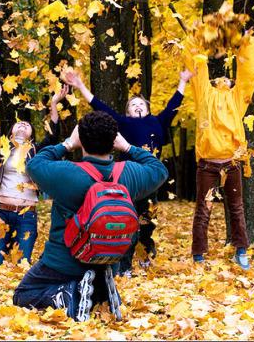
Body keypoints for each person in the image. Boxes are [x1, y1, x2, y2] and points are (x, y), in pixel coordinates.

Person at [13, 111, 168, 322]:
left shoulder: (66, 173)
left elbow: (34, 164)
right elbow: (159, 169)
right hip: (108, 261)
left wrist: (67, 144)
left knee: (23, 294)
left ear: (81, 141)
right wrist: (129, 147)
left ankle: (70, 295)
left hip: (63, 263)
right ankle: (100, 290)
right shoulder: (129, 173)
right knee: (97, 278)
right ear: (114, 141)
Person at [62, 69, 192, 273]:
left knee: (148, 221)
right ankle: (124, 265)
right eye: (133, 104)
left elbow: (174, 106)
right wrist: (80, 86)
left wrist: (183, 81)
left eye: (141, 104)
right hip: (129, 177)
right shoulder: (123, 123)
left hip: (149, 178)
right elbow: (100, 107)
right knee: (127, 219)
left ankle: (146, 254)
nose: (138, 106)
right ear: (127, 112)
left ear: (148, 109)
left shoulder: (157, 121)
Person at [183, 30, 254, 270]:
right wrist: (195, 42)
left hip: (232, 163)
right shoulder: (205, 96)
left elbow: (248, 76)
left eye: (228, 79)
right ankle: (198, 256)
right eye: (219, 79)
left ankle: (241, 251)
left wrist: (245, 44)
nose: (224, 80)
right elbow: (198, 71)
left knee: (236, 208)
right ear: (214, 83)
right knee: (203, 210)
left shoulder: (237, 99)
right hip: (208, 164)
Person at [0, 71, 68, 264]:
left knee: (21, 264)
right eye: (18, 124)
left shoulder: (37, 151)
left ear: (31, 133)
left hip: (26, 215)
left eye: (26, 125)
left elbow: (53, 135)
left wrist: (54, 103)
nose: (22, 126)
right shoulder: (2, 148)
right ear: (11, 130)